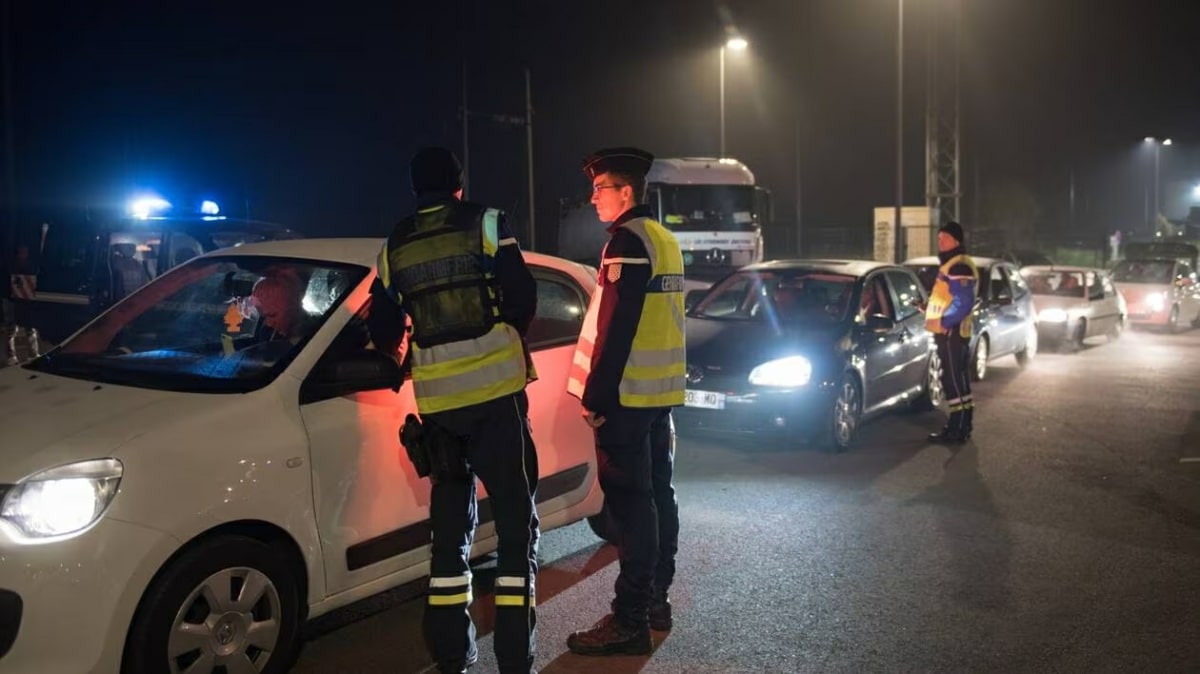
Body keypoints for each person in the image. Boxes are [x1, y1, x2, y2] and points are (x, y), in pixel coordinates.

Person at [367, 146, 539, 674]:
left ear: (416, 191)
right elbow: (522, 297)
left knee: (448, 540)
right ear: (458, 185)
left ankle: (451, 658)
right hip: (495, 400)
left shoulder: (395, 243)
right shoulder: (487, 223)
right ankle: (514, 660)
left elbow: (382, 326)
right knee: (514, 534)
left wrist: (403, 358)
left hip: (440, 408)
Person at [565, 147, 685, 656]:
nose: (593, 198)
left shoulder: (627, 242)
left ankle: (629, 620)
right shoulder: (664, 239)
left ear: (626, 192)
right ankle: (656, 600)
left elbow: (616, 328)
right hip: (658, 395)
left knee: (633, 508)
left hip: (626, 398)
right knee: (659, 496)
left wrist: (596, 396)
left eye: (601, 188)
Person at [924, 220, 978, 444]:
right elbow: (947, 298)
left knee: (953, 381)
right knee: (959, 380)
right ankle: (962, 425)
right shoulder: (953, 264)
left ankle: (956, 428)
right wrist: (926, 308)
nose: (940, 242)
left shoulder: (958, 266)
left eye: (944, 238)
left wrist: (945, 322)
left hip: (951, 333)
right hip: (951, 332)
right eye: (938, 238)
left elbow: (963, 301)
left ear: (956, 241)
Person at [6, 244, 41, 366]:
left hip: (27, 302)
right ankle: (11, 356)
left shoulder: (31, 266)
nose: (23, 254)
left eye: (25, 252)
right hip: (12, 301)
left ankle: (33, 354)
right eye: (21, 252)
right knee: (11, 329)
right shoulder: (11, 266)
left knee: (30, 328)